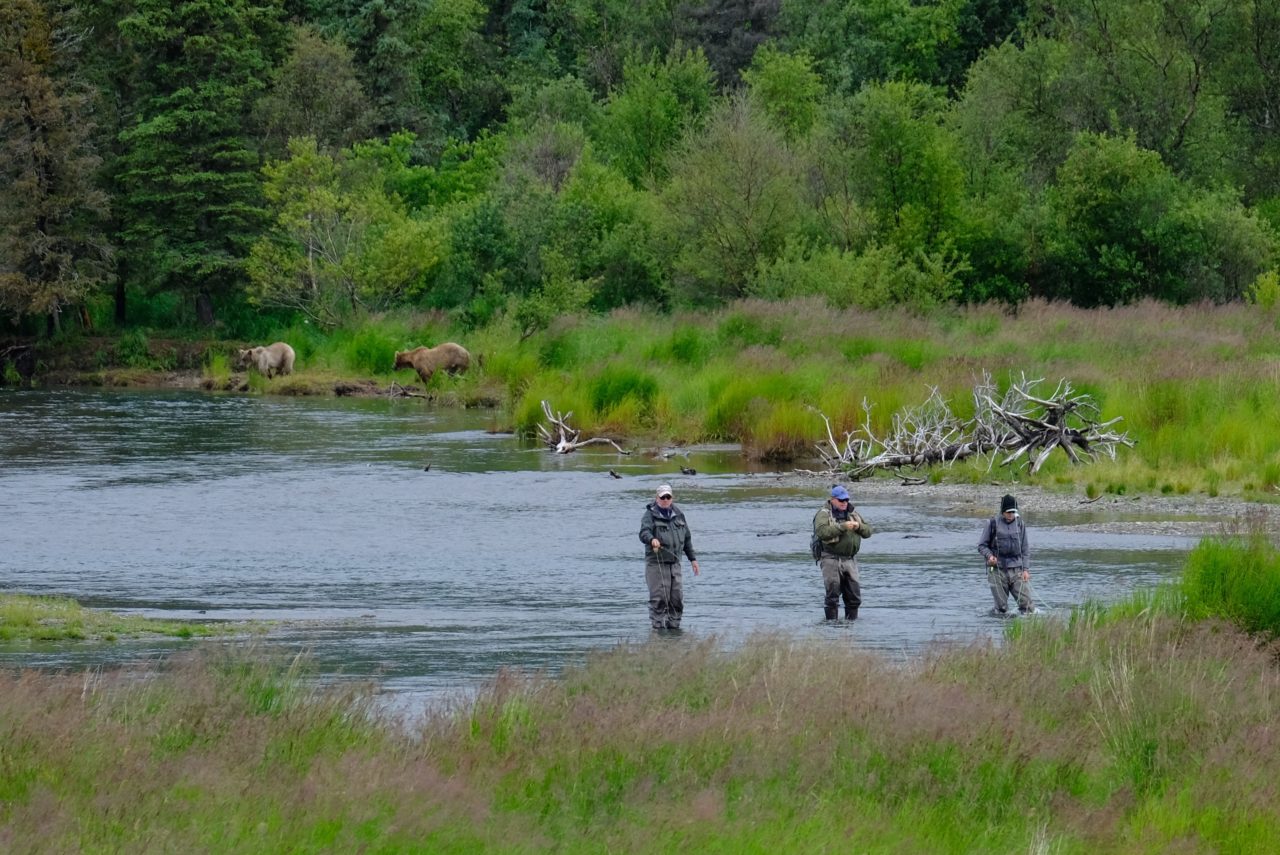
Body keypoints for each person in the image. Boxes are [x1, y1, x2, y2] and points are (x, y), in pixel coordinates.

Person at [639, 484, 700, 630]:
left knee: (676, 599)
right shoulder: (649, 515)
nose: (665, 500)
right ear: (657, 498)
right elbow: (643, 533)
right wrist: (651, 539)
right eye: (662, 497)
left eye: (668, 497)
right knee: (659, 599)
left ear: (672, 498)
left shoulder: (679, 514)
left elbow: (687, 539)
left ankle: (674, 631)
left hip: (675, 564)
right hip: (656, 564)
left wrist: (693, 559)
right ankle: (658, 632)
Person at [812, 485, 873, 621]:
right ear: (832, 499)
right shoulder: (823, 514)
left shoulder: (853, 513)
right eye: (841, 500)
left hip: (850, 560)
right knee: (832, 597)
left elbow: (868, 531)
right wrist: (842, 527)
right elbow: (822, 532)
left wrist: (859, 527)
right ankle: (831, 629)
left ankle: (851, 628)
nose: (844, 503)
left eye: (846, 500)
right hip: (830, 559)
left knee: (854, 598)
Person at [978, 494, 1033, 615]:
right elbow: (982, 546)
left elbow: (1025, 549)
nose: (1011, 515)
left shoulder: (1020, 524)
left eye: (1013, 512)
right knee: (1001, 609)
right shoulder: (991, 523)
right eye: (1008, 512)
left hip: (1017, 570)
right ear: (1002, 511)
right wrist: (989, 556)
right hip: (997, 570)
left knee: (1028, 607)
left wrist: (1026, 570)